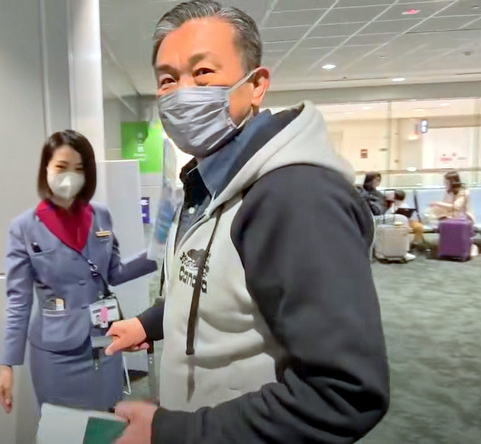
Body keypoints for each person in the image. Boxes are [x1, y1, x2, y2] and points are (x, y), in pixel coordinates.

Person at [106, 1, 389, 443]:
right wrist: (150, 323)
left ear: (256, 85)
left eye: (202, 73)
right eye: (167, 79)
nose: (182, 92)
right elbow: (216, 291)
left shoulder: (295, 197)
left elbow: (343, 393)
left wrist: (174, 432)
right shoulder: (205, 184)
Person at [0, 130, 157, 413]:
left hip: (103, 344)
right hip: (56, 356)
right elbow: (19, 301)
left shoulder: (100, 215)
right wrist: (7, 365)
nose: (69, 176)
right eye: (61, 167)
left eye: (79, 169)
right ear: (46, 168)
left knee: (107, 424)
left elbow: (114, 272)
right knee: (62, 428)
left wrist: (158, 254)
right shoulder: (25, 228)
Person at [428, 171, 478, 257]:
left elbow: (456, 207)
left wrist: (438, 204)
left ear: (452, 181)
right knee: (433, 215)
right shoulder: (448, 191)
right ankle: (450, 246)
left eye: (446, 181)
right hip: (450, 214)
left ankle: (470, 246)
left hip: (463, 216)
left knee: (445, 219)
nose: (444, 183)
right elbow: (446, 205)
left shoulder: (463, 192)